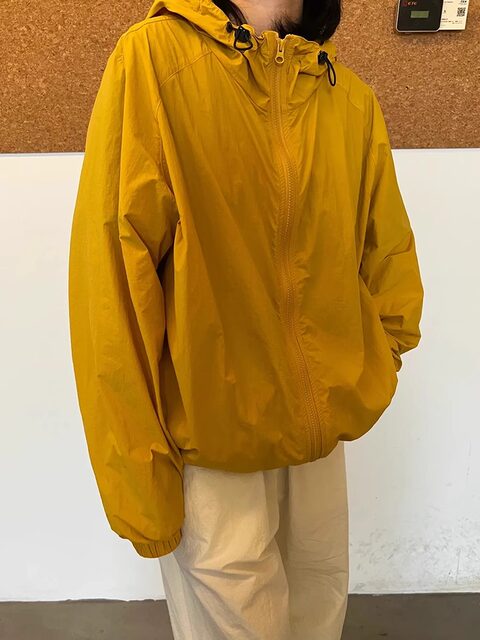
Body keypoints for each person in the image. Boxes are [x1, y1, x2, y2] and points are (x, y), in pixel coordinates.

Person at [68, 0, 424, 638]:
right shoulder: (154, 61)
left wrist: (375, 362)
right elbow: (113, 284)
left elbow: (387, 252)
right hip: (211, 441)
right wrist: (139, 475)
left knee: (318, 616)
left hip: (317, 440)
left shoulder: (347, 97)